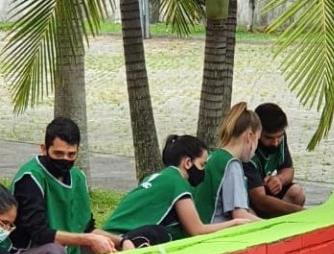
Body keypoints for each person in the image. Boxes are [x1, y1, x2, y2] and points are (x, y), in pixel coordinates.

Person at [9, 116, 122, 254]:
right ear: (44, 149)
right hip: (24, 253)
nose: (65, 159)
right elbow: (40, 234)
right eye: (58, 154)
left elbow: (86, 229)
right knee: (55, 252)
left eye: (71, 154)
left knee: (111, 246)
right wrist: (89, 240)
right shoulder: (30, 178)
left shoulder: (78, 177)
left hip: (68, 251)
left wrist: (121, 241)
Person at [103, 134, 250, 243]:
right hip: (121, 240)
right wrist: (235, 223)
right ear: (187, 163)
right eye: (202, 164)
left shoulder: (158, 177)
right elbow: (197, 230)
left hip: (107, 234)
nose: (204, 170)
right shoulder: (177, 182)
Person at [195, 102, 263, 224]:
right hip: (216, 230)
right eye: (257, 140)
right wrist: (269, 225)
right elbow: (240, 215)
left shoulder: (214, 157)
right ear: (250, 136)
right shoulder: (232, 165)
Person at [243, 103, 305, 218]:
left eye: (279, 137)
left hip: (263, 193)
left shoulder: (279, 138)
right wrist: (299, 211)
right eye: (269, 138)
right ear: (256, 133)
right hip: (248, 199)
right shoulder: (248, 152)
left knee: (296, 192)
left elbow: (288, 169)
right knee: (248, 213)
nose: (275, 143)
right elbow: (259, 200)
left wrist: (279, 179)